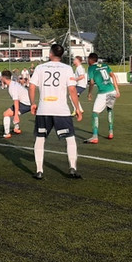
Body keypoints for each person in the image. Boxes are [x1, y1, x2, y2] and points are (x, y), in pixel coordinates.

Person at [28, 43, 83, 180]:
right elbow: (72, 90)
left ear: (50, 53)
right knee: (70, 138)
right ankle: (72, 168)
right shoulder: (67, 68)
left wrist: (32, 103)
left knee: (40, 139)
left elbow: (31, 86)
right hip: (61, 110)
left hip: (44, 109)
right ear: (62, 55)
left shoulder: (40, 68)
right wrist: (77, 108)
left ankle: (39, 171)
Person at [84, 52, 120, 143]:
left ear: (91, 60)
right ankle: (111, 132)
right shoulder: (105, 65)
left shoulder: (91, 68)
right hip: (112, 90)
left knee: (95, 113)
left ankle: (95, 136)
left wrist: (89, 93)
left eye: (88, 59)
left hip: (103, 93)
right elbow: (113, 76)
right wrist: (117, 90)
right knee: (109, 109)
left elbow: (92, 82)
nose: (87, 61)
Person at [1, 69, 32, 138]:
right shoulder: (13, 83)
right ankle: (16, 128)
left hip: (25, 103)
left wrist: (16, 116)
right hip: (27, 102)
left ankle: (7, 133)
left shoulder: (12, 87)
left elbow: (16, 101)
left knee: (6, 114)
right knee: (11, 112)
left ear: (3, 78)